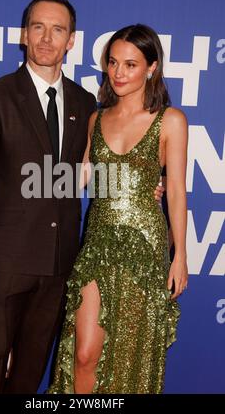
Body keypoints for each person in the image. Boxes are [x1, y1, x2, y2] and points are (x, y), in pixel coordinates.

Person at [0, 0, 164, 393]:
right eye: (38, 27)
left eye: (58, 30)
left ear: (71, 40)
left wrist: (138, 187)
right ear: (24, 35)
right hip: (4, 260)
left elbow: (81, 174)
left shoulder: (88, 104)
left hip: (61, 261)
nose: (47, 38)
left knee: (32, 365)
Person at [49, 24, 188, 394]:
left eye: (130, 64)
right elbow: (79, 181)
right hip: (98, 243)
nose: (119, 73)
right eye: (113, 63)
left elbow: (175, 189)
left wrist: (180, 255)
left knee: (129, 353)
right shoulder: (97, 119)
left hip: (144, 248)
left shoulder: (170, 121)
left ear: (152, 68)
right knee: (84, 353)